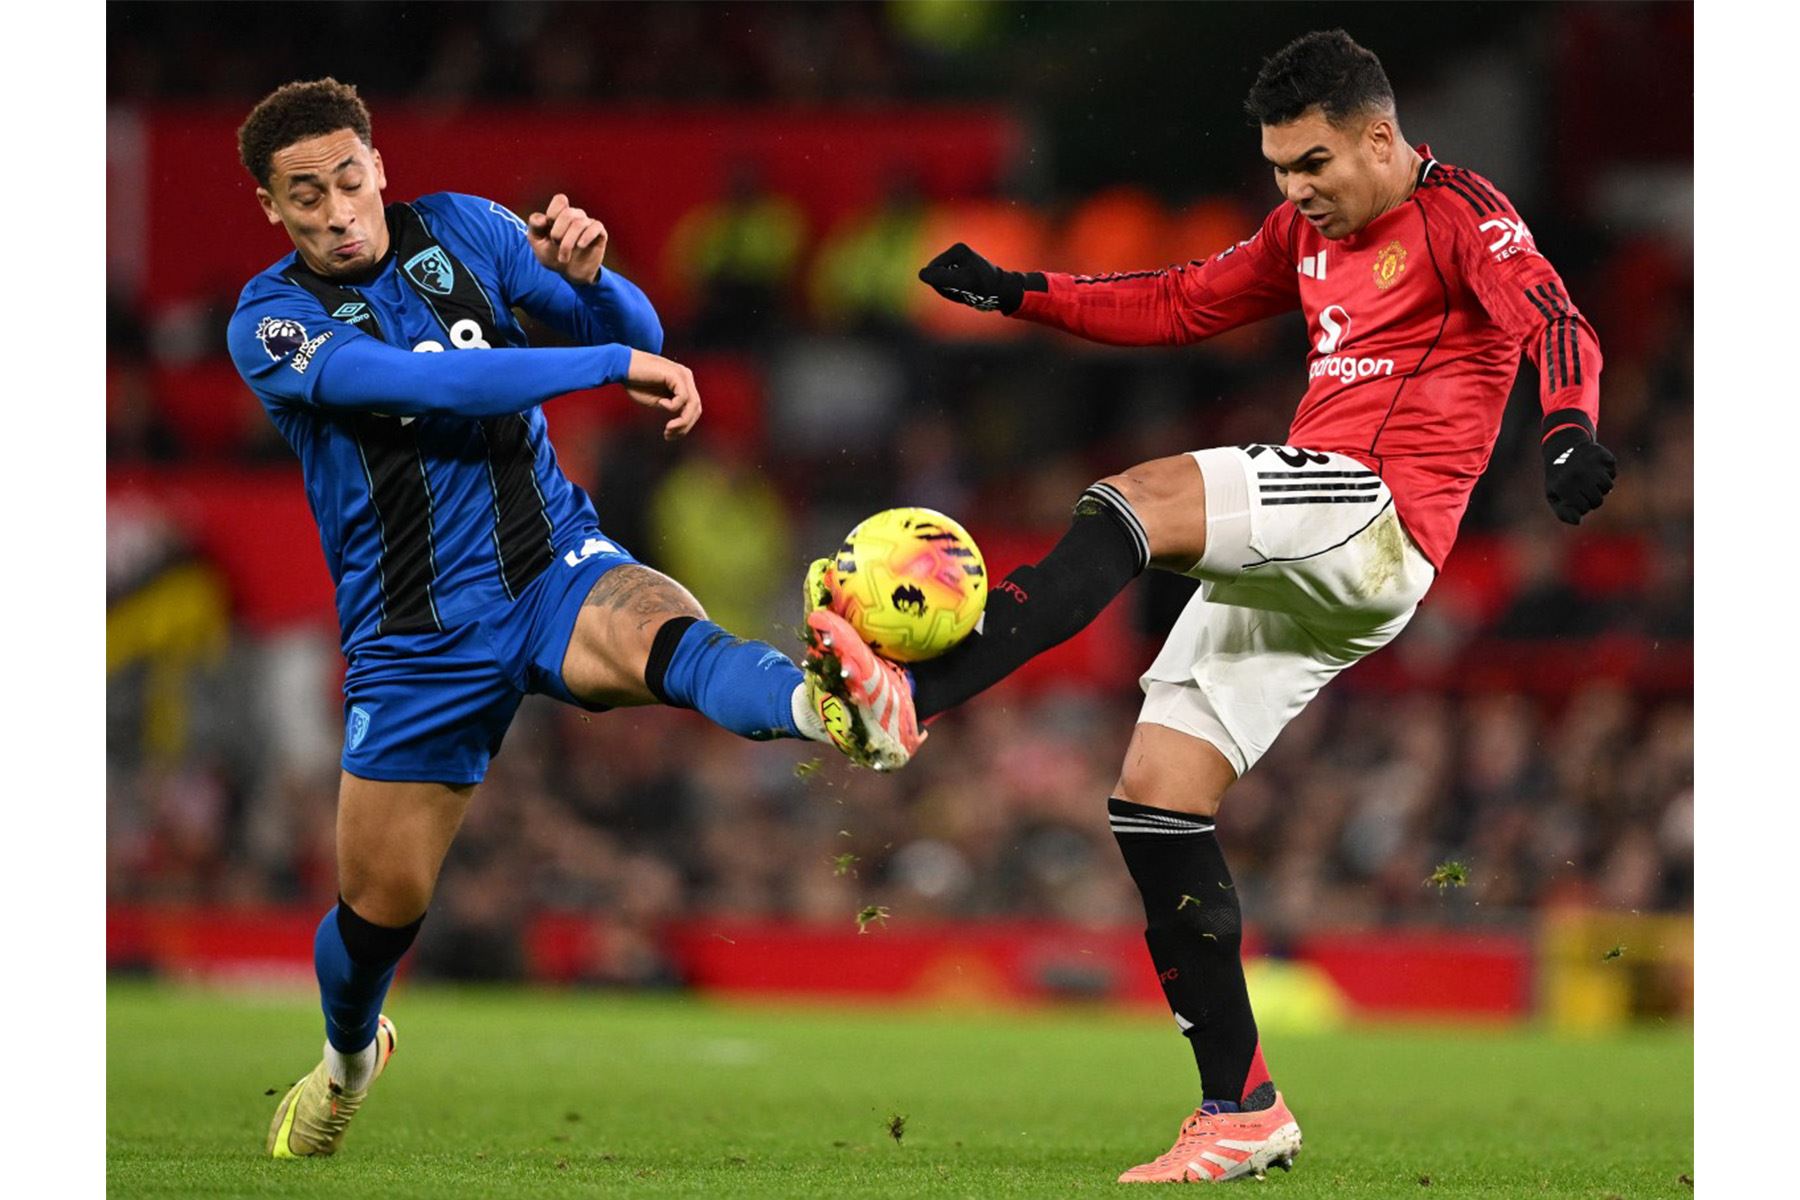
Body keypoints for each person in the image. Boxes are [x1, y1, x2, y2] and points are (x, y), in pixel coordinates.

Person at [804, 28, 1616, 1185]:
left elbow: (1553, 317)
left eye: (1317, 165)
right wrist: (1023, 293)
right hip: (1315, 560)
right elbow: (1184, 302)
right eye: (1281, 168)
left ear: (1381, 137)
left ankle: (920, 695)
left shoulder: (1462, 215)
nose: (1297, 193)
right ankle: (1242, 1107)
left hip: (1376, 515)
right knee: (1154, 802)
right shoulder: (1301, 231)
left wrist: (1570, 425)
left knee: (1133, 499)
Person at [226, 78, 919, 1160]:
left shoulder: (463, 228)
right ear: (273, 209)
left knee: (663, 630)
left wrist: (600, 288)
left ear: (379, 168)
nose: (334, 209)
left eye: (348, 179)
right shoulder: (270, 321)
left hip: (551, 563)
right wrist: (605, 356)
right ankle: (350, 1060)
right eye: (303, 194)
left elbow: (637, 330)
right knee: (377, 914)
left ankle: (830, 706)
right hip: (416, 642)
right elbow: (426, 384)